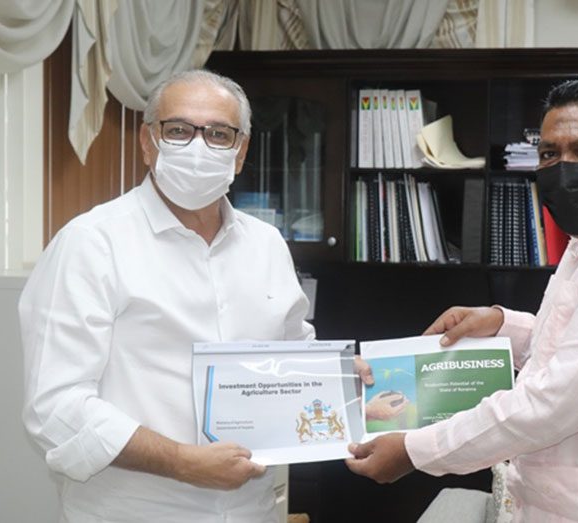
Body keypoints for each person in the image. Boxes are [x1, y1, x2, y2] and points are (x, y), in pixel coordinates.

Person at [347, 77, 578, 521]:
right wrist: (502, 324)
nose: (565, 168)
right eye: (550, 154)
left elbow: (557, 398)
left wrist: (415, 450)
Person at [20, 69, 371, 522]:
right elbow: (56, 407)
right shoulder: (91, 243)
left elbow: (290, 356)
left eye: (219, 134)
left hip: (251, 508)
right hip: (136, 510)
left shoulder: (266, 245)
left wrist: (340, 381)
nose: (198, 147)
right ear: (149, 142)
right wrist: (182, 462)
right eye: (179, 130)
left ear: (241, 152)